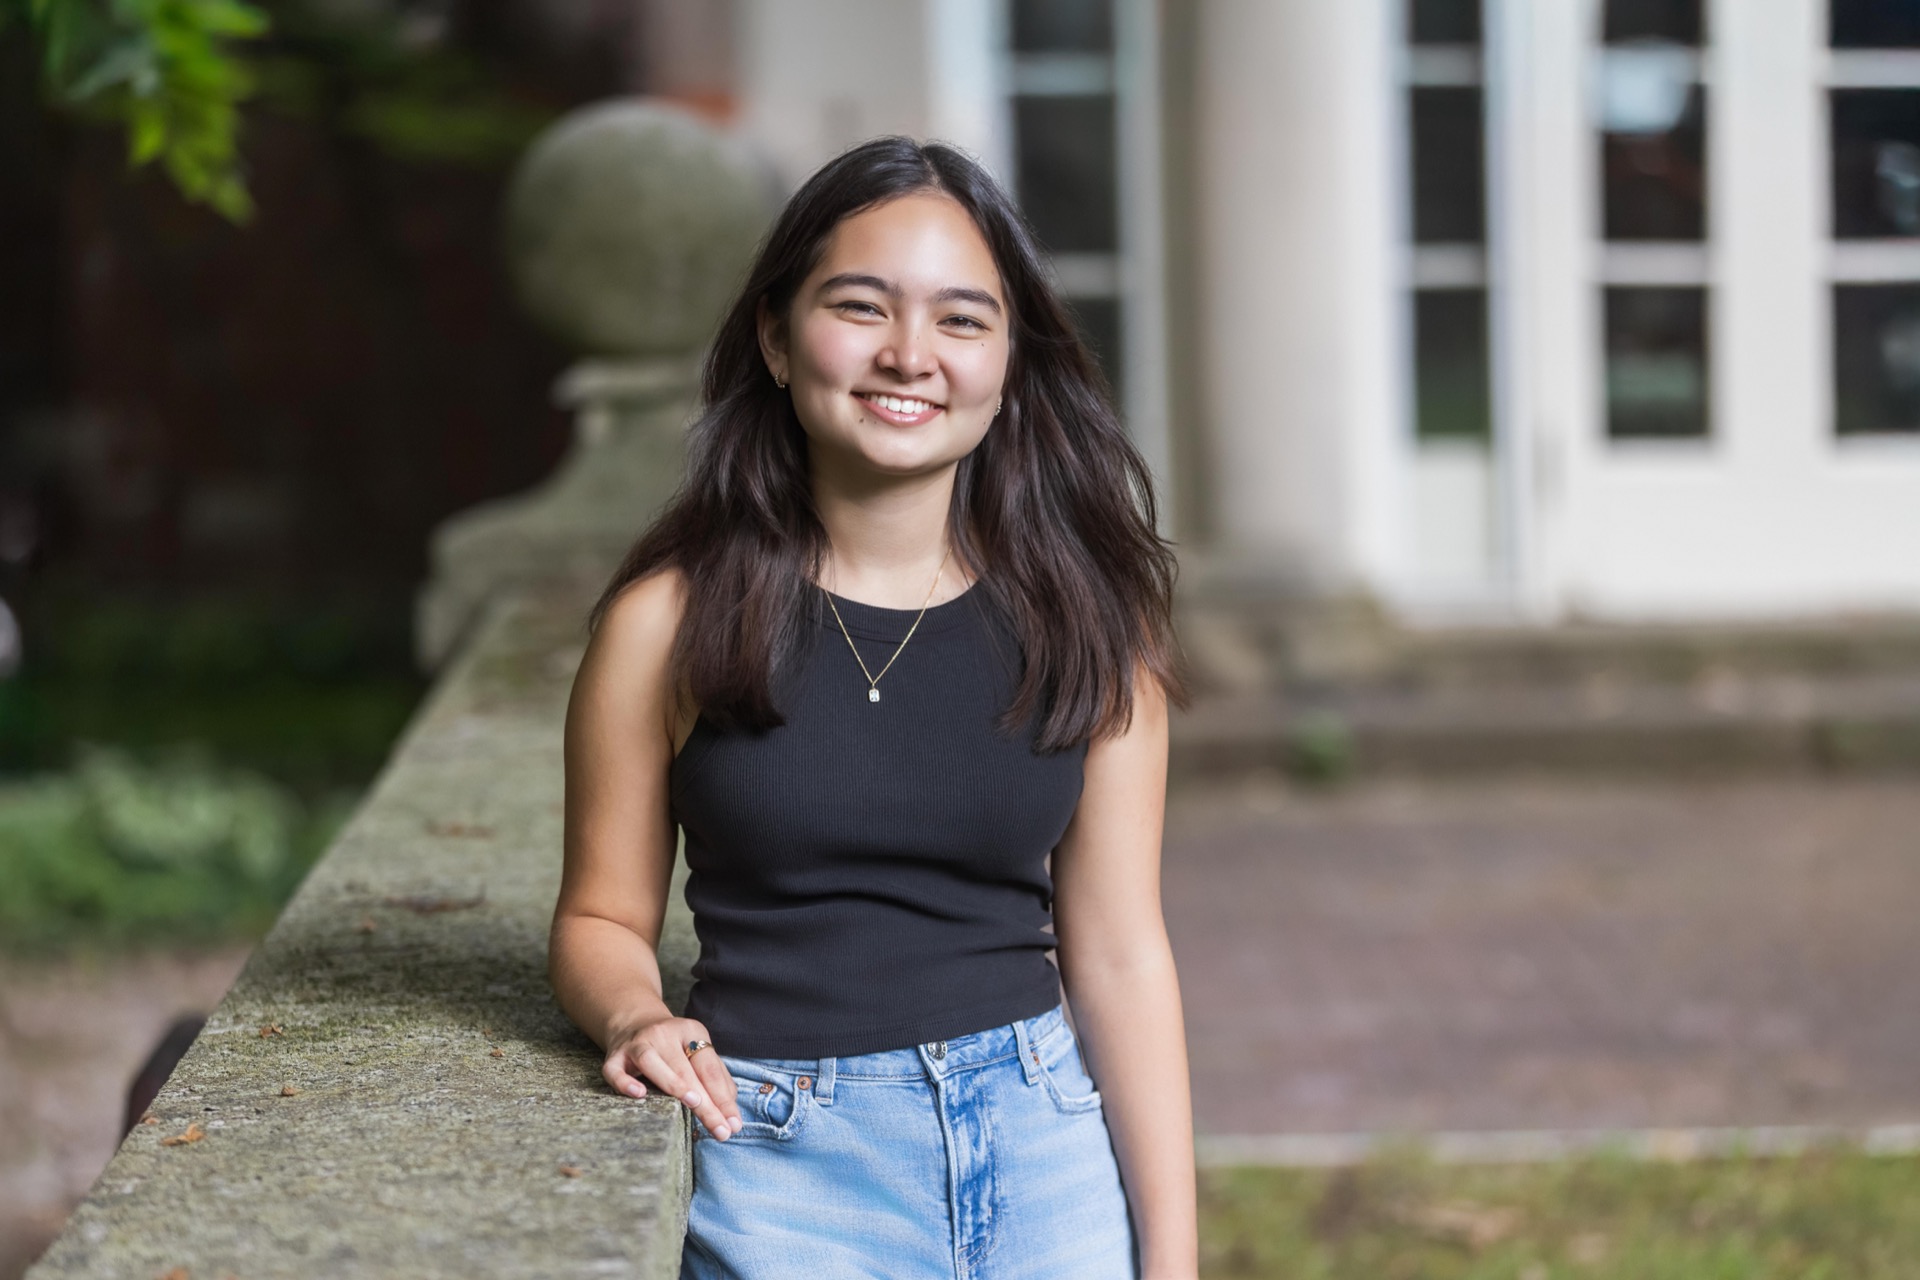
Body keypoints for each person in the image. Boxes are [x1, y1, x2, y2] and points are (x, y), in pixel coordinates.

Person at [548, 134, 1197, 1280]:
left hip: (1043, 1146)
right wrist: (635, 1017)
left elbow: (1122, 952)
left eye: (961, 319)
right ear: (777, 337)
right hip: (784, 1161)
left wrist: (1174, 1255)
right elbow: (601, 919)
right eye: (861, 307)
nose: (910, 355)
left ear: (1010, 360)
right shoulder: (667, 620)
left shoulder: (1092, 620)